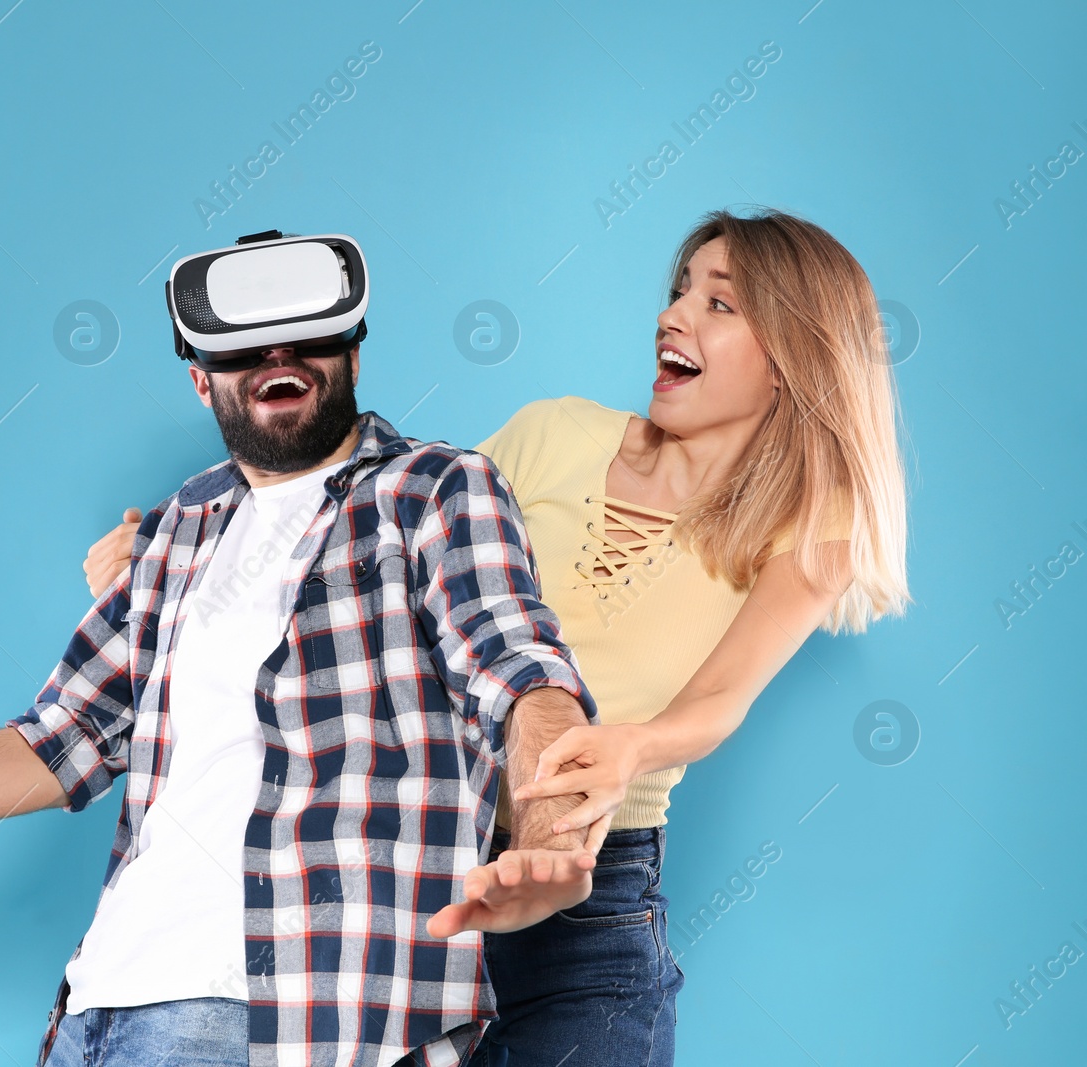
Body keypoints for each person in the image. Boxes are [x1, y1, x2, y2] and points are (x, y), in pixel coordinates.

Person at [0, 231, 614, 1067]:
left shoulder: (434, 490)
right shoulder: (181, 529)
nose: (278, 352)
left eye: (308, 335)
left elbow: (516, 665)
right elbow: (52, 741)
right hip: (100, 1005)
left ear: (353, 353)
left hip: (293, 1015)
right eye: (242, 347)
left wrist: (549, 829)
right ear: (202, 381)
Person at [81, 210, 911, 1066]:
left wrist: (630, 749)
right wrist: (183, 559)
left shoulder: (810, 529)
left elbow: (718, 698)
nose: (675, 316)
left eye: (720, 304)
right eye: (677, 291)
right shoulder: (556, 433)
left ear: (794, 357)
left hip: (592, 906)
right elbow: (371, 538)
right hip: (418, 877)